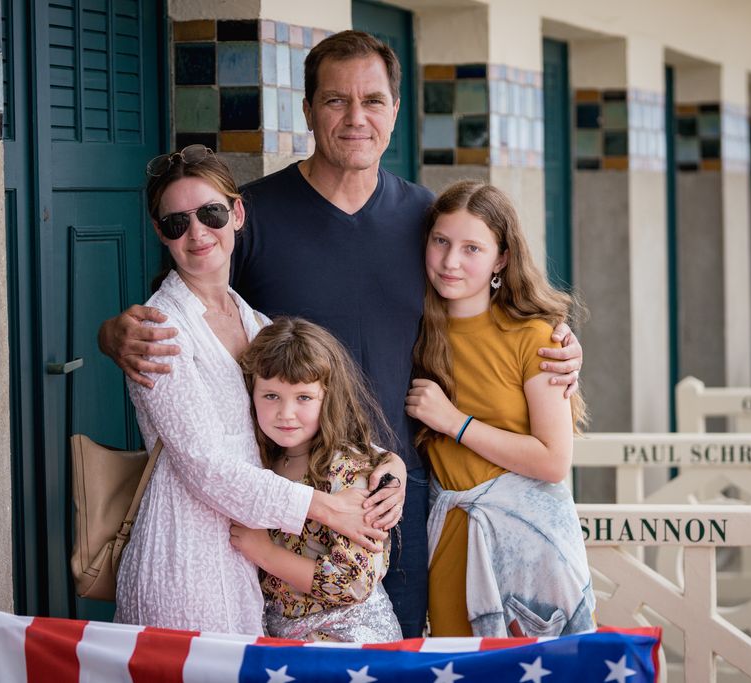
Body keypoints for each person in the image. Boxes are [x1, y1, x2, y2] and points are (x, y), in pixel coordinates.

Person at [98, 31, 584, 637]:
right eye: (335, 101)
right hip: (280, 522)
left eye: (373, 101)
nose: (357, 118)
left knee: (402, 663)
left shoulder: (425, 221)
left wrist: (559, 344)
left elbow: (496, 305)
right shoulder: (250, 214)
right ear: (307, 109)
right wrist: (112, 332)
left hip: (398, 499)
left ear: (395, 110)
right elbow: (182, 302)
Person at [114, 145, 405, 634]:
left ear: (238, 213)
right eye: (176, 223)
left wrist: (384, 464)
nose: (198, 233)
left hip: (251, 556)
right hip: (188, 556)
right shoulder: (160, 332)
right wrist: (325, 507)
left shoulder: (254, 321)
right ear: (161, 234)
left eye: (210, 213)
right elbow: (205, 466)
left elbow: (305, 419)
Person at [405, 180, 595, 638]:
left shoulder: (536, 338)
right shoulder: (415, 332)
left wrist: (454, 423)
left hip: (528, 546)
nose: (451, 261)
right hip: (450, 537)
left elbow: (552, 461)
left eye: (473, 248)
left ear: (502, 258)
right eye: (441, 242)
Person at [230, 317, 403, 642]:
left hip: (350, 641)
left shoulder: (346, 470)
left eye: (304, 398)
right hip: (290, 640)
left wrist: (265, 553)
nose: (286, 413)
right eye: (271, 396)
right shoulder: (262, 461)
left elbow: (354, 581)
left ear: (329, 397)